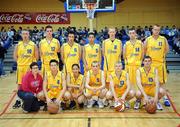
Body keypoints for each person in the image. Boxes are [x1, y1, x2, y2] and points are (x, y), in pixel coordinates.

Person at [144, 24, 170, 107]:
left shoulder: (163, 39)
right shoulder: (148, 39)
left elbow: (167, 50)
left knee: (161, 82)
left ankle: (165, 98)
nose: (156, 31)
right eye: (155, 29)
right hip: (150, 65)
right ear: (152, 30)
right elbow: (144, 51)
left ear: (160, 30)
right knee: (152, 82)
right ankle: (154, 98)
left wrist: (161, 57)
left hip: (160, 64)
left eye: (158, 30)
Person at [13, 29, 38, 109]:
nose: (25, 35)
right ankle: (18, 100)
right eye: (23, 34)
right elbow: (14, 56)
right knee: (19, 84)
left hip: (29, 68)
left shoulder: (33, 45)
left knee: (30, 84)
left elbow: (36, 57)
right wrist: (19, 63)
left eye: (26, 34)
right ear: (21, 35)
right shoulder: (18, 45)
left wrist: (32, 66)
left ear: (29, 35)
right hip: (20, 67)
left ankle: (30, 99)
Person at [123, 28, 144, 108]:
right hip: (129, 67)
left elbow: (142, 55)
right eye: (130, 33)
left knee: (138, 84)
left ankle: (138, 101)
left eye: (133, 33)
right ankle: (128, 101)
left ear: (136, 34)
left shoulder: (140, 43)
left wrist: (139, 62)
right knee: (129, 84)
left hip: (137, 66)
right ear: (128, 34)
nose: (132, 34)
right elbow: (124, 56)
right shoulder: (126, 44)